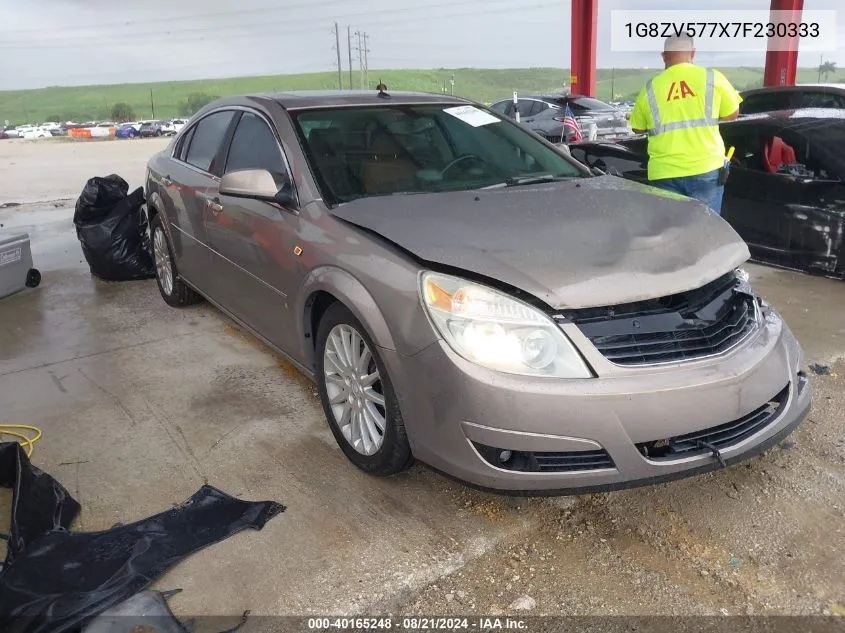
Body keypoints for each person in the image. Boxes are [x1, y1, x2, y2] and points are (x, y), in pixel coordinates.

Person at [629, 34, 742, 215]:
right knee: (705, 228)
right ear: (693, 52)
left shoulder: (650, 88)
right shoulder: (713, 78)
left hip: (663, 173)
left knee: (669, 230)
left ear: (664, 56)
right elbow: (732, 114)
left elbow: (637, 127)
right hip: (705, 169)